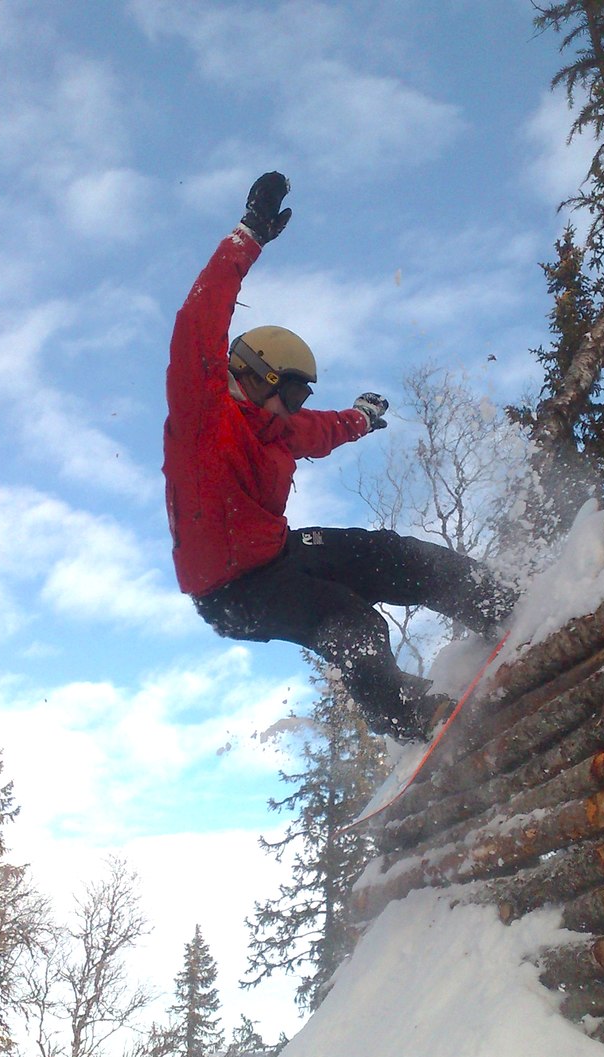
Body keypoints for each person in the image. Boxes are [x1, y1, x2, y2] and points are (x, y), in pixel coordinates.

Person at [163, 173, 515, 742]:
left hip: (274, 556)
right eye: (294, 390)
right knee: (351, 621)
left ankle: (499, 601)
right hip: (232, 592)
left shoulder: (274, 427)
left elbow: (321, 430)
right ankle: (407, 711)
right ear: (259, 375)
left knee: (388, 554)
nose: (297, 406)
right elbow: (196, 322)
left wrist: (361, 419)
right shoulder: (202, 416)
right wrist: (249, 232)